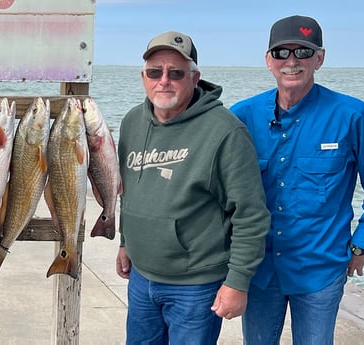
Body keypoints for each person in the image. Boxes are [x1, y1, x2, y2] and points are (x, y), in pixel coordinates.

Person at [231, 15, 364, 344]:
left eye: (303, 52)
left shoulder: (352, 116)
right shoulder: (242, 116)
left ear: (320, 58)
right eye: (282, 53)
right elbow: (220, 188)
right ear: (268, 61)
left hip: (319, 270)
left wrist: (362, 243)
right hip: (259, 269)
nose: (292, 62)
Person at [114, 31, 271, 343]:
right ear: (143, 76)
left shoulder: (226, 132)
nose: (164, 81)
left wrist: (237, 283)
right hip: (141, 278)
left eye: (176, 73)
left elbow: (250, 214)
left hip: (195, 286)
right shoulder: (132, 121)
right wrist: (124, 241)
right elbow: (129, 190)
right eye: (155, 72)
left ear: (195, 77)